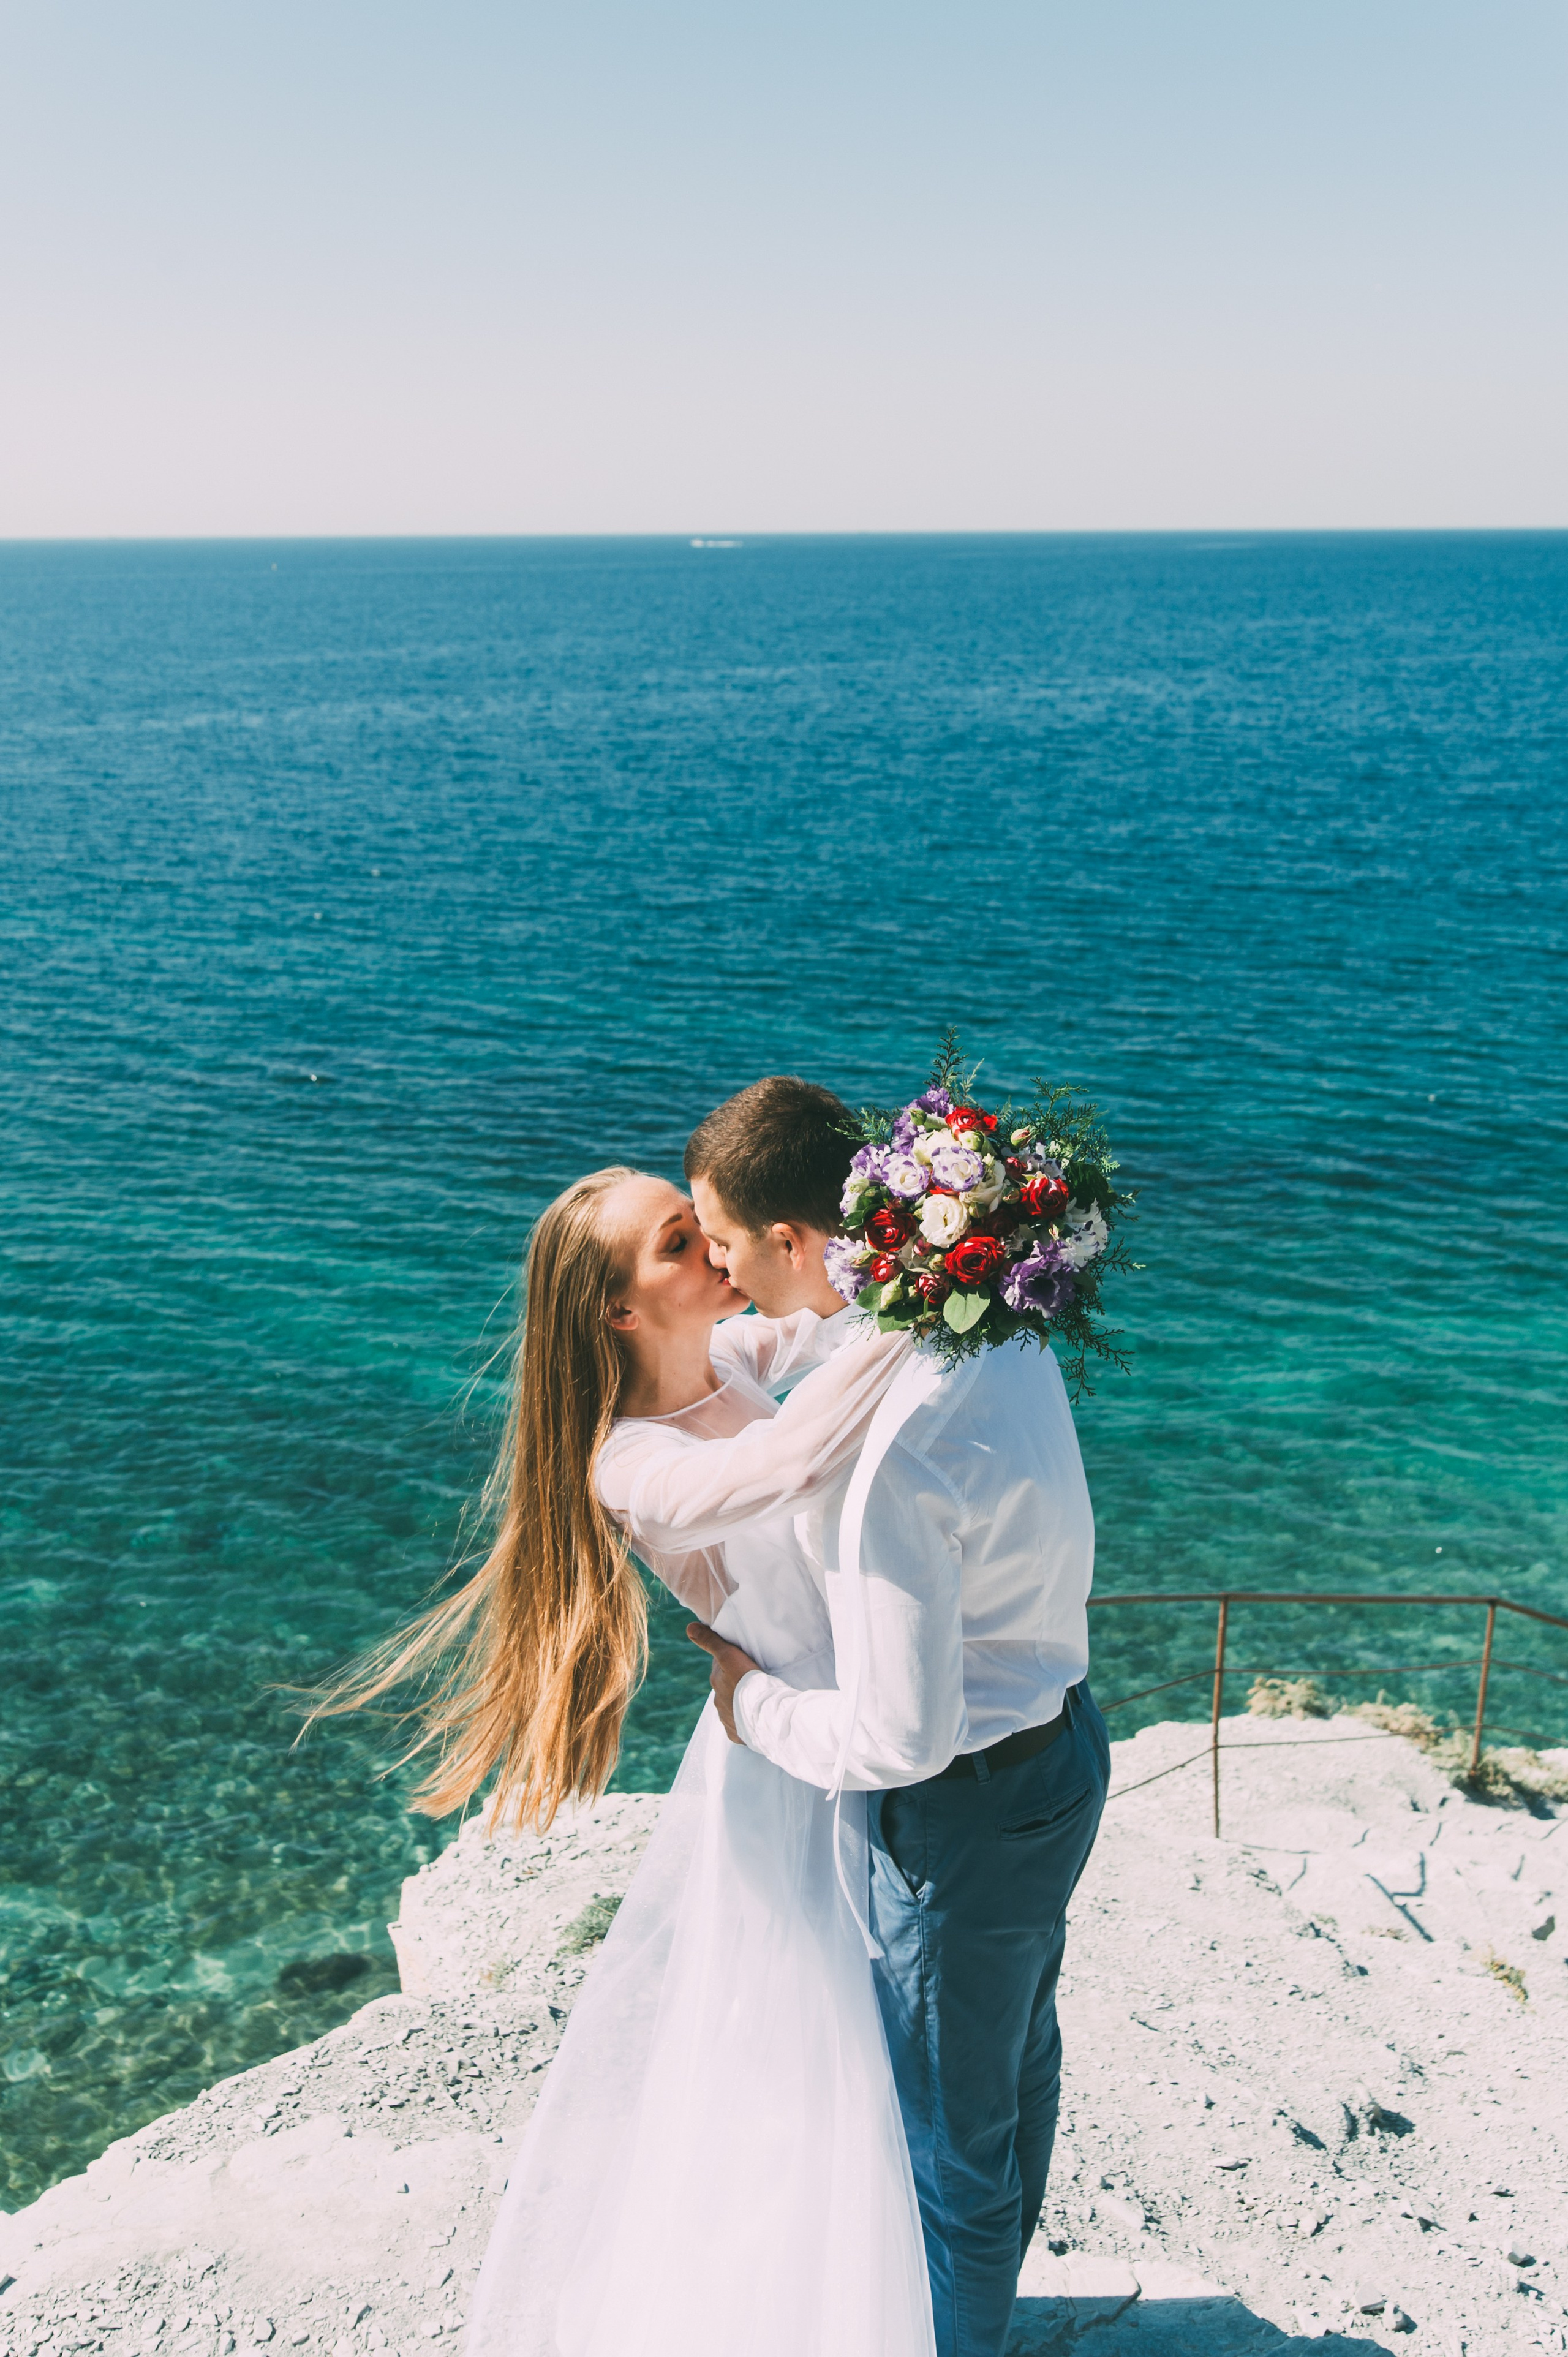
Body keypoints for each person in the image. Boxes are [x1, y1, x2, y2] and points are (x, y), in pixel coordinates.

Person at [312, 1164, 933, 2357]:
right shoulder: (628, 1461)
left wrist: (952, 1235)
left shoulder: (740, 1363)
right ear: (617, 1310)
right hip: (782, 1767)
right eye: (673, 1240)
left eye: (699, 1223)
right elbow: (783, 1469)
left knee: (874, 2045)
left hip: (846, 1737)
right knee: (804, 2062)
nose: (709, 1242)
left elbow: (825, 1309)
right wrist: (924, 1322)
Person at [665, 1075, 1112, 2357]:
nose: (715, 1264)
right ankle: (985, 2306)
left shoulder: (884, 1456)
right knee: (1016, 2052)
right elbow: (815, 1338)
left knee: (944, 2159)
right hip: (1063, 1748)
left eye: (726, 1240)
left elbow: (896, 1737)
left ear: (796, 1240)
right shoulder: (983, 1313)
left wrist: (751, 1705)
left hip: (962, 1811)